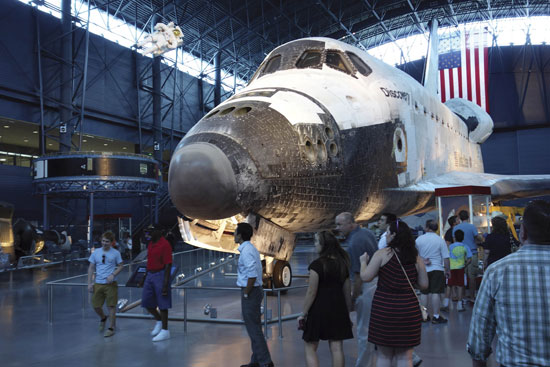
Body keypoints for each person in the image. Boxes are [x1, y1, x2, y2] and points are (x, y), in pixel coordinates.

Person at [467, 200, 550, 367]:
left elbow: (481, 329)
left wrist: (479, 358)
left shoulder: (496, 272)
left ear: (523, 232)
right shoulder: (506, 241)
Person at [360, 220, 429, 367]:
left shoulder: (382, 254)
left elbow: (366, 277)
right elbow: (424, 285)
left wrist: (363, 262)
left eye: (388, 233)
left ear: (394, 235)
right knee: (405, 357)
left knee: (384, 356)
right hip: (408, 310)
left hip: (384, 309)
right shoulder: (415, 257)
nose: (386, 236)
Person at [298, 231, 353, 367]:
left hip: (319, 310)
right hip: (338, 309)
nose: (315, 245)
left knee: (310, 347)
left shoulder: (317, 265)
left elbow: (311, 291)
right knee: (336, 347)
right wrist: (347, 314)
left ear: (324, 245)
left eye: (316, 242)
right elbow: (347, 293)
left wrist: (303, 313)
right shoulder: (343, 265)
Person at [335, 212, 378, 367]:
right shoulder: (367, 233)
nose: (337, 228)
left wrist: (353, 298)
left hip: (366, 287)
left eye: (340, 224)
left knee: (363, 329)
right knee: (377, 325)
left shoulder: (355, 243)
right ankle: (412, 358)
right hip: (377, 284)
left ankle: (363, 364)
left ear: (350, 224)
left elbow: (359, 275)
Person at [236, 222, 274, 367]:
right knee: (255, 327)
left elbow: (251, 275)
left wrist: (246, 293)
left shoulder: (246, 251)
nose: (234, 234)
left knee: (253, 329)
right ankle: (256, 360)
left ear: (239, 235)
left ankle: (266, 362)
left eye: (235, 232)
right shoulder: (250, 248)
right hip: (254, 290)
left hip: (250, 291)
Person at [87, 231, 124, 337]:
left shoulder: (116, 253)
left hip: (110, 284)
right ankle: (103, 317)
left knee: (111, 306)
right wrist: (90, 283)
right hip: (98, 283)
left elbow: (121, 265)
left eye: (107, 241)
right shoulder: (96, 252)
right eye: (103, 241)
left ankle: (111, 327)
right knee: (96, 305)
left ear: (111, 242)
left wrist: (113, 274)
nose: (104, 243)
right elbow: (91, 267)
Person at [415, 220, 450, 324]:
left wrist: (422, 260)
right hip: (437, 269)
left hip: (423, 269)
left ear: (426, 227)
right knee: (436, 292)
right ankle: (436, 316)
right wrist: (447, 270)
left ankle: (424, 316)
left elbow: (414, 254)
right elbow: (446, 257)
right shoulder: (440, 240)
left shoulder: (419, 239)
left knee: (424, 293)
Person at [141, 229, 173, 342]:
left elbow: (168, 265)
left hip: (160, 274)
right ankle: (159, 321)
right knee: (146, 302)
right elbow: (149, 261)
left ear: (158, 232)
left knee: (163, 304)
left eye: (150, 232)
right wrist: (144, 277)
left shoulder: (165, 244)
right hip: (150, 274)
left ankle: (165, 330)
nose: (148, 235)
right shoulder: (151, 244)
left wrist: (165, 284)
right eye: (147, 232)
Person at [453, 210, 483, 300]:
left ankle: (462, 296)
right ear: (468, 217)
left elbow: (455, 241)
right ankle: (472, 296)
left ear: (460, 218)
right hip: (472, 253)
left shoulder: (456, 228)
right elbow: (477, 237)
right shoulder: (472, 227)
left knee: (461, 276)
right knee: (472, 276)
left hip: (460, 254)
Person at [444, 230, 472, 312]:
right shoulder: (465, 246)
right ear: (463, 238)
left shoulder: (450, 247)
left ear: (454, 237)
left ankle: (446, 304)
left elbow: (447, 258)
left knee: (449, 285)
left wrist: (446, 268)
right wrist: (465, 264)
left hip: (451, 268)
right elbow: (469, 259)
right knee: (460, 286)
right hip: (461, 268)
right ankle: (460, 305)